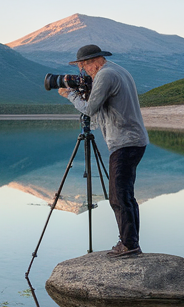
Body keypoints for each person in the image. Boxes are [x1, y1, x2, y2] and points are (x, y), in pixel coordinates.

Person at [58, 44, 149, 258]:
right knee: (126, 195)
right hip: (133, 140)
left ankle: (128, 245)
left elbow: (90, 109)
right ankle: (131, 242)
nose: (84, 71)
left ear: (94, 61)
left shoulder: (106, 75)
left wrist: (70, 95)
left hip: (125, 141)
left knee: (118, 197)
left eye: (84, 67)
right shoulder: (118, 69)